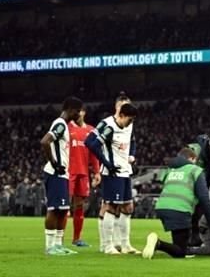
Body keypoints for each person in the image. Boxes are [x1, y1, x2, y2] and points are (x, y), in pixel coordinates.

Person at [142, 147, 210, 260]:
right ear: (191, 158)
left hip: (163, 207)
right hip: (180, 210)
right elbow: (204, 198)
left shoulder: (171, 170)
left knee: (178, 245)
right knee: (180, 252)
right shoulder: (195, 170)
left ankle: (165, 245)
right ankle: (158, 243)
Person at [86, 99, 138, 254]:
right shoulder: (108, 125)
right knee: (111, 206)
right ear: (119, 111)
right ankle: (107, 245)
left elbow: (132, 141)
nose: (130, 123)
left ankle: (125, 244)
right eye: (129, 119)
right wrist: (107, 164)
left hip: (125, 170)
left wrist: (132, 155)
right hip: (112, 172)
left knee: (128, 207)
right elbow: (91, 143)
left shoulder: (129, 125)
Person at [40, 96, 83, 256]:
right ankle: (50, 247)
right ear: (70, 109)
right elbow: (45, 141)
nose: (78, 114)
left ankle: (58, 245)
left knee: (63, 210)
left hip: (62, 173)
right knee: (54, 209)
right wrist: (54, 163)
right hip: (55, 173)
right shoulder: (59, 124)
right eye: (77, 111)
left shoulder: (64, 125)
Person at [67, 107, 100, 247]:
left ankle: (76, 238)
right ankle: (57, 241)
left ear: (84, 112)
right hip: (69, 172)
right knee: (64, 207)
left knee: (79, 206)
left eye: (79, 111)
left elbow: (94, 153)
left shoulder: (91, 130)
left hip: (83, 173)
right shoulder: (67, 128)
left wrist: (97, 172)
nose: (76, 113)